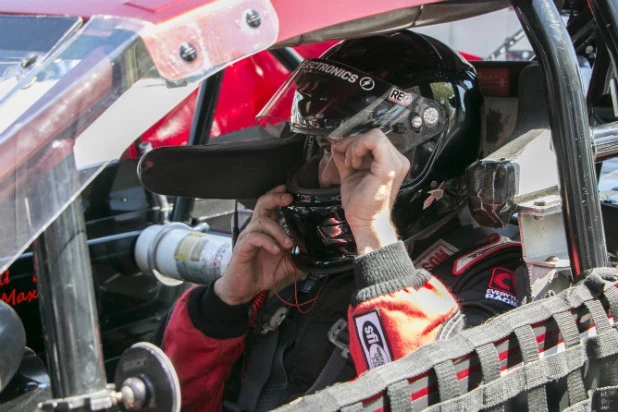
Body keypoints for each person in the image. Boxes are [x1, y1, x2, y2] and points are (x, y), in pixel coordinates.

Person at [160, 31, 524, 411]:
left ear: (419, 163)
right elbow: (173, 400)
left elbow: (441, 398)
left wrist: (375, 239)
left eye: (357, 155)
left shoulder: (487, 275)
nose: (327, 174)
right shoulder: (287, 264)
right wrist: (226, 303)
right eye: (322, 148)